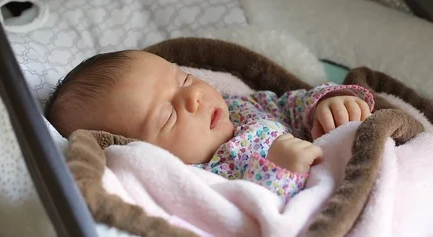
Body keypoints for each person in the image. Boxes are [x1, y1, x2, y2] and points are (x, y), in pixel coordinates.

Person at [45, 50, 374, 203]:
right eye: (167, 116)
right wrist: (281, 170)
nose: (193, 98)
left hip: (358, 169)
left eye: (184, 79)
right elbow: (243, 219)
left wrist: (326, 105)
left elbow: (288, 103)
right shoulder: (201, 178)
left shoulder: (240, 107)